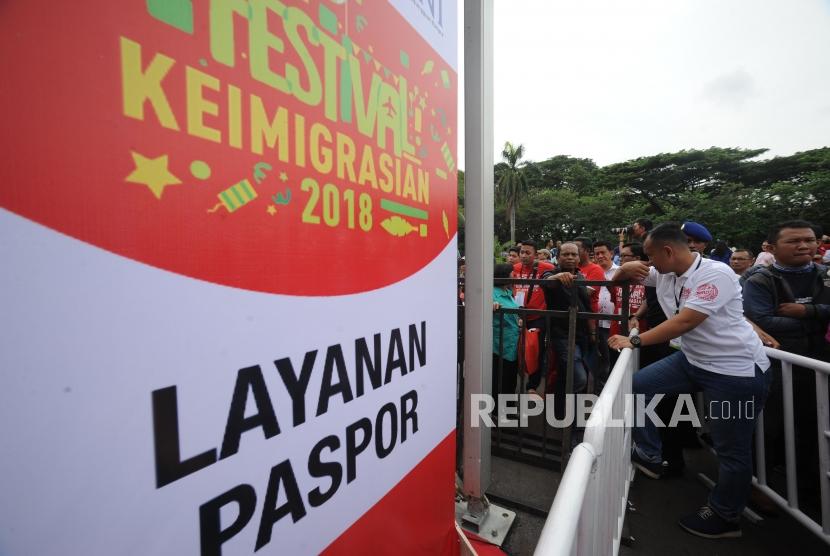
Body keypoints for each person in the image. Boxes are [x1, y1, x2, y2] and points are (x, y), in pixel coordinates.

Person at [609, 223, 770, 539]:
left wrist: (635, 340)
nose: (649, 263)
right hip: (693, 362)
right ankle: (651, 455)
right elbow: (621, 278)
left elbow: (686, 321)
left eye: (651, 256)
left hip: (734, 372)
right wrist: (626, 266)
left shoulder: (715, 274)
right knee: (636, 386)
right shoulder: (665, 273)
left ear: (668, 251)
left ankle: (725, 516)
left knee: (731, 451)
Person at [742, 221, 829, 509]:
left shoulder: (825, 275)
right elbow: (761, 320)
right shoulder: (760, 280)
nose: (804, 246)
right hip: (777, 366)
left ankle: (810, 487)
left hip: (819, 363)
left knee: (813, 427)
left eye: (809, 240)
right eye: (794, 241)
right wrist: (818, 322)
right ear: (771, 248)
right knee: (769, 426)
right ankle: (757, 485)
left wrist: (807, 310)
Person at [540, 243, 591, 397]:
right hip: (562, 334)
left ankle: (562, 413)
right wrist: (557, 277)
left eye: (574, 255)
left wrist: (593, 332)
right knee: (579, 378)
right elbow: (545, 280)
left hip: (583, 334)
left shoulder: (580, 276)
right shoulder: (552, 273)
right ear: (557, 257)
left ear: (579, 257)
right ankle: (566, 408)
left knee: (565, 375)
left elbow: (587, 306)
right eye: (565, 254)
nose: (570, 258)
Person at [513, 240, 555, 394]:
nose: (523, 255)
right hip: (517, 315)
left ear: (536, 255)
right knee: (516, 350)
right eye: (521, 252)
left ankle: (532, 385)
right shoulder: (515, 268)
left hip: (538, 317)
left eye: (527, 253)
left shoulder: (547, 268)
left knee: (535, 350)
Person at [492, 263, 520, 419]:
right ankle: (497, 412)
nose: (514, 276)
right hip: (498, 343)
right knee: (498, 379)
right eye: (512, 273)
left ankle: (508, 410)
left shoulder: (507, 291)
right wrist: (489, 306)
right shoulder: (492, 293)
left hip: (511, 342)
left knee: (510, 378)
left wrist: (518, 320)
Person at [592, 240, 619, 390]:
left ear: (611, 254)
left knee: (613, 360)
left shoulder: (620, 272)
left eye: (603, 252)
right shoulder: (592, 272)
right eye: (597, 254)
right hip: (595, 324)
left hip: (613, 324)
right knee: (598, 360)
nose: (600, 256)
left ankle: (611, 391)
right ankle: (598, 390)